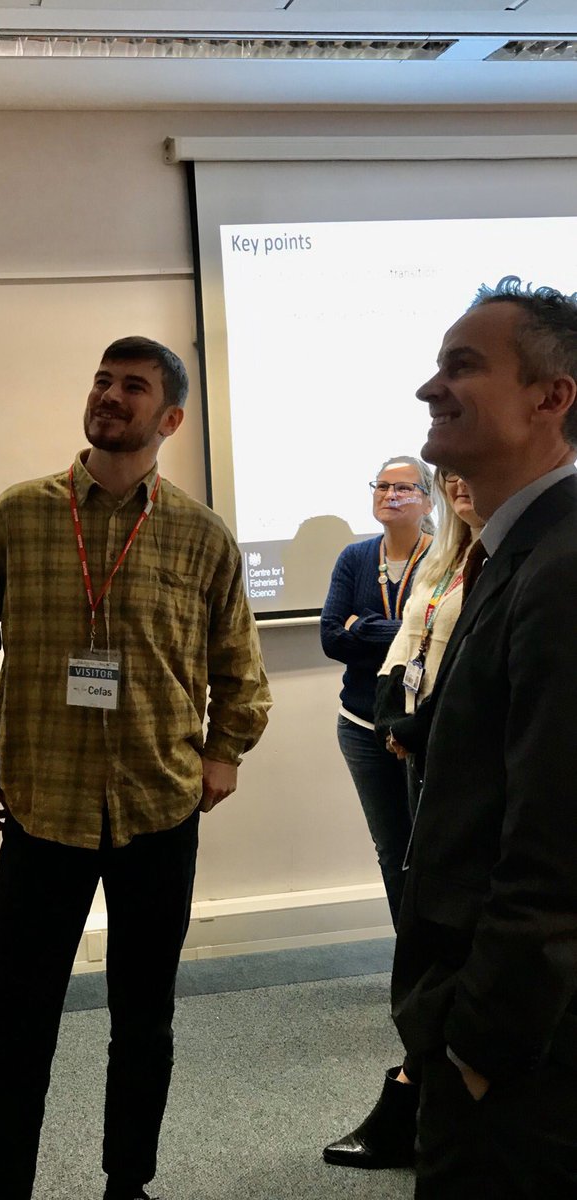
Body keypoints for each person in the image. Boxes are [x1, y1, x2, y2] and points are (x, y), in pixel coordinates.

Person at [0, 335, 271, 1200]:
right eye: (103, 381)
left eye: (134, 386)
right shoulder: (18, 516)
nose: (111, 396)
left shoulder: (201, 535)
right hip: (43, 809)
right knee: (16, 1028)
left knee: (144, 1022)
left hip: (158, 809)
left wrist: (224, 750)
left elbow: (240, 666)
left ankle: (129, 1184)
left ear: (172, 418)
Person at [391, 276, 577, 1198]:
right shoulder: (518, 551)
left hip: (521, 1063)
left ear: (553, 397)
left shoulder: (563, 567)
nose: (430, 388)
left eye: (462, 367)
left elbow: (555, 845)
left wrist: (477, 1048)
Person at [322, 466, 484, 1170]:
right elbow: (389, 646)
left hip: (459, 757)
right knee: (412, 879)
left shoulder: (516, 561)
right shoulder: (446, 559)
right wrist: (397, 716)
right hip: (402, 737)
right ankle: (422, 1091)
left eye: (463, 475)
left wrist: (420, 725)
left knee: (455, 912)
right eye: (450, 479)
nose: (459, 486)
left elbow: (471, 665)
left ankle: (421, 1096)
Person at [320, 456, 433, 928]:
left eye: (404, 488)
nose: (390, 495)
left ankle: (438, 955)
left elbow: (439, 641)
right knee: (390, 848)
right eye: (382, 486)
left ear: (428, 500)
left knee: (429, 846)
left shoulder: (444, 557)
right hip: (361, 725)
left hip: (423, 726)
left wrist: (363, 626)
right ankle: (409, 953)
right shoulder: (354, 558)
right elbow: (331, 639)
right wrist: (405, 631)